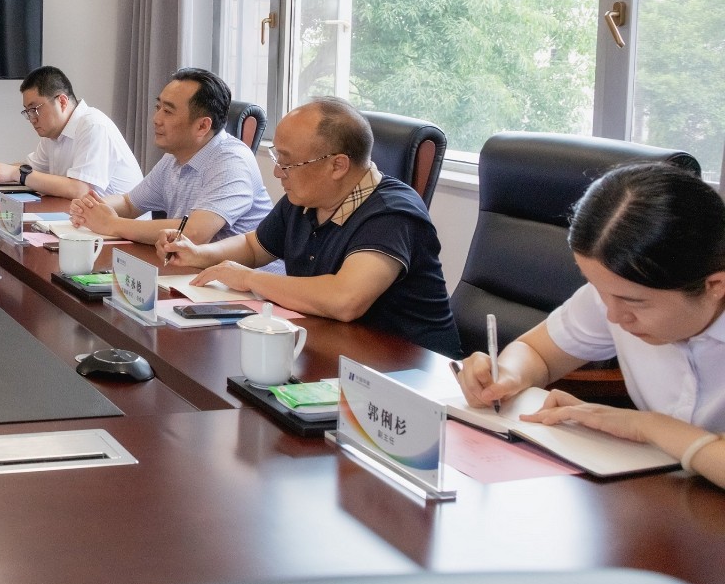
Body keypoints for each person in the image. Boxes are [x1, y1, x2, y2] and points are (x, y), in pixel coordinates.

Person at [456, 162, 725, 488]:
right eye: (599, 290)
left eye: (634, 302)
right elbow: (536, 351)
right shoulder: (616, 295)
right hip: (666, 491)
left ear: (714, 285)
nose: (613, 316)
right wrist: (508, 376)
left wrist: (649, 426)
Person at [157, 97, 460, 357]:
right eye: (277, 157)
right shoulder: (307, 198)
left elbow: (345, 299)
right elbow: (254, 246)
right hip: (332, 348)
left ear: (337, 165)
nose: (278, 172)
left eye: (287, 162)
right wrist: (199, 253)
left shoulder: (392, 213)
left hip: (407, 369)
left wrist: (248, 278)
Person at [70, 68, 270, 247]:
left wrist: (112, 224)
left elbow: (194, 233)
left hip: (241, 276)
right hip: (189, 269)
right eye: (158, 108)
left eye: (168, 111)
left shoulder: (232, 162)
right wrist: (91, 208)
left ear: (202, 126)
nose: (156, 119)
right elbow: (129, 204)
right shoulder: (174, 157)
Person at [0, 66, 142, 199]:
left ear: (62, 102)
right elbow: (32, 170)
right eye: (27, 111)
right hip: (80, 218)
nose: (32, 119)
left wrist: (15, 173)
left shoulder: (93, 126)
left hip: (120, 225)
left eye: (34, 109)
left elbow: (81, 190)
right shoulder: (52, 133)